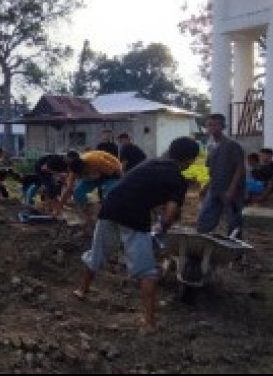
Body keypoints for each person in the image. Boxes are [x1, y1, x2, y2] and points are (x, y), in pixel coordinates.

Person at [72, 137, 199, 333]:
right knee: (146, 270)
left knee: (97, 252)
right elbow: (170, 211)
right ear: (190, 160)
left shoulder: (149, 162)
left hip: (111, 206)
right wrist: (161, 228)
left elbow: (136, 187)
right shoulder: (177, 179)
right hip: (134, 215)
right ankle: (149, 323)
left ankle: (81, 290)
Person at [197, 113, 246, 238]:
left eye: (216, 125)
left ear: (223, 126)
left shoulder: (232, 145)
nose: (212, 128)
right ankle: (203, 248)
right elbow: (212, 171)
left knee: (233, 222)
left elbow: (239, 169)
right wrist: (205, 186)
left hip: (231, 190)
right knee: (204, 219)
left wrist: (231, 190)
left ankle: (235, 252)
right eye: (209, 125)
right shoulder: (211, 147)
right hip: (214, 188)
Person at [56, 150, 122, 225]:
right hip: (94, 177)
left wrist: (100, 191)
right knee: (78, 193)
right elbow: (69, 189)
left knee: (109, 193)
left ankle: (109, 217)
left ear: (86, 168)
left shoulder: (96, 161)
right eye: (80, 176)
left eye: (84, 173)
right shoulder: (73, 170)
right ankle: (87, 218)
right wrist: (60, 206)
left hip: (112, 174)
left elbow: (117, 173)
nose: (82, 176)